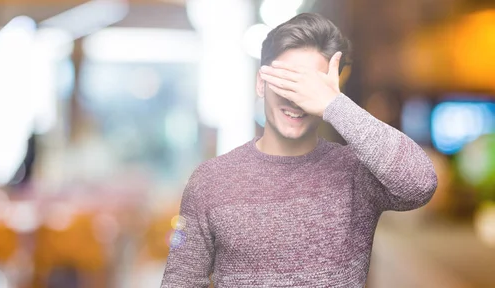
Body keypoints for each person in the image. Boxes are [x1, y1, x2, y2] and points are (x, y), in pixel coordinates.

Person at [160, 13, 437, 287]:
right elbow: (180, 281)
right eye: (286, 81)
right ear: (261, 83)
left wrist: (335, 105)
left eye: (309, 87)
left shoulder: (356, 174)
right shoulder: (210, 180)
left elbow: (420, 183)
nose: (296, 100)